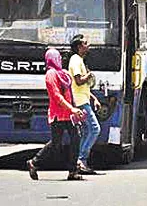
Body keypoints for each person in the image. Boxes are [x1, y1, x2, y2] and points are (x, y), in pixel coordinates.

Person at [26, 48, 85, 181]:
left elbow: (70, 93)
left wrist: (76, 109)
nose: (59, 59)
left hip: (69, 114)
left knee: (76, 138)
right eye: (56, 57)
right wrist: (72, 109)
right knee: (56, 144)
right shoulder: (50, 74)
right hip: (58, 114)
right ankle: (34, 162)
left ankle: (73, 171)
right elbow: (56, 96)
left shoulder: (63, 73)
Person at [69, 34, 102, 174]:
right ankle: (81, 159)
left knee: (86, 132)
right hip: (80, 102)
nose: (88, 46)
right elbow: (78, 81)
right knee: (95, 129)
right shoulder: (76, 60)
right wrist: (89, 76)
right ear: (78, 47)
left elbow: (83, 87)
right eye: (85, 43)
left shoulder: (80, 60)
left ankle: (80, 161)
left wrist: (94, 98)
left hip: (83, 98)